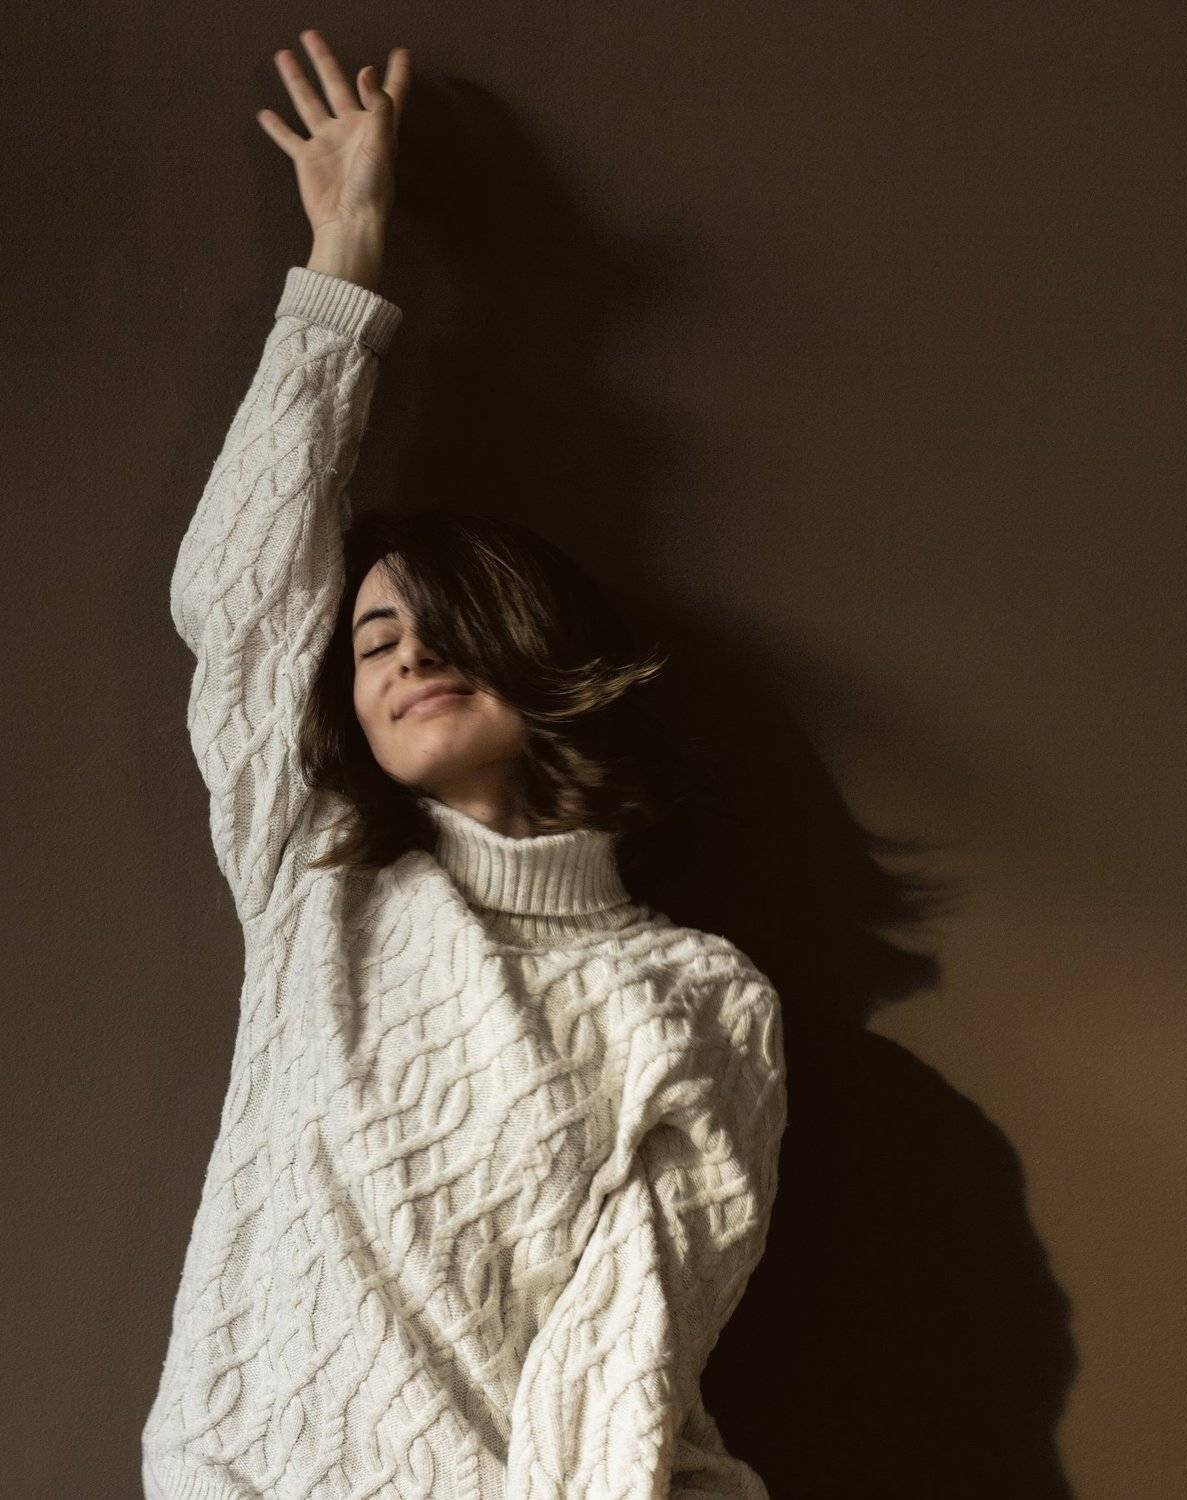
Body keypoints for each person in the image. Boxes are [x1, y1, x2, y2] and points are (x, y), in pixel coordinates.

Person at [141, 31, 787, 1500]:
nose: (404, 655)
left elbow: (621, 1365)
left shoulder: (698, 998)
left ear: (535, 652)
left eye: (446, 625)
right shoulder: (313, 882)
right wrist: (345, 260)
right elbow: (239, 602)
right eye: (371, 639)